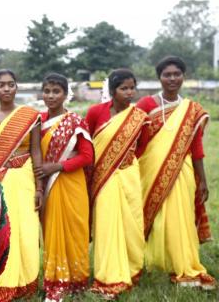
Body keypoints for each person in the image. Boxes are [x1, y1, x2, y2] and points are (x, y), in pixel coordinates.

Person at [136, 56, 216, 290]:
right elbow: (133, 139)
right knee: (159, 220)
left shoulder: (191, 109)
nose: (172, 78)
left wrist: (202, 180)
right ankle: (160, 262)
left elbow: (197, 147)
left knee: (180, 218)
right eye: (167, 74)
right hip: (150, 172)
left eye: (176, 74)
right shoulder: (146, 105)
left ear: (183, 76)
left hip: (183, 171)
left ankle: (183, 264)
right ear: (159, 77)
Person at [0, 69, 43, 302]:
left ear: (17, 87)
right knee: (3, 231)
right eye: (1, 85)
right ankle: (1, 281)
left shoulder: (30, 115)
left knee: (26, 229)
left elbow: (36, 152)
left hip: (24, 178)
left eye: (11, 84)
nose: (6, 89)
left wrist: (39, 188)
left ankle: (26, 281)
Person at [85, 69, 148, 300]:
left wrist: (125, 161)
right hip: (104, 178)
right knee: (108, 224)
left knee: (131, 222)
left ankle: (132, 268)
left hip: (129, 175)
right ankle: (109, 275)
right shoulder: (95, 112)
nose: (129, 92)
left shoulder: (139, 115)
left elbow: (142, 145)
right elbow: (87, 144)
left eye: (132, 88)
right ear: (112, 91)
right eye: (124, 88)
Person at [34, 73, 93, 301]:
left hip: (70, 183)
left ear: (66, 94)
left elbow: (87, 156)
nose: (50, 96)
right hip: (47, 186)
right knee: (52, 232)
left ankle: (77, 280)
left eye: (56, 91)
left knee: (74, 231)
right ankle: (56, 281)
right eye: (47, 91)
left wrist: (57, 166)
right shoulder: (37, 120)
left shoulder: (75, 121)